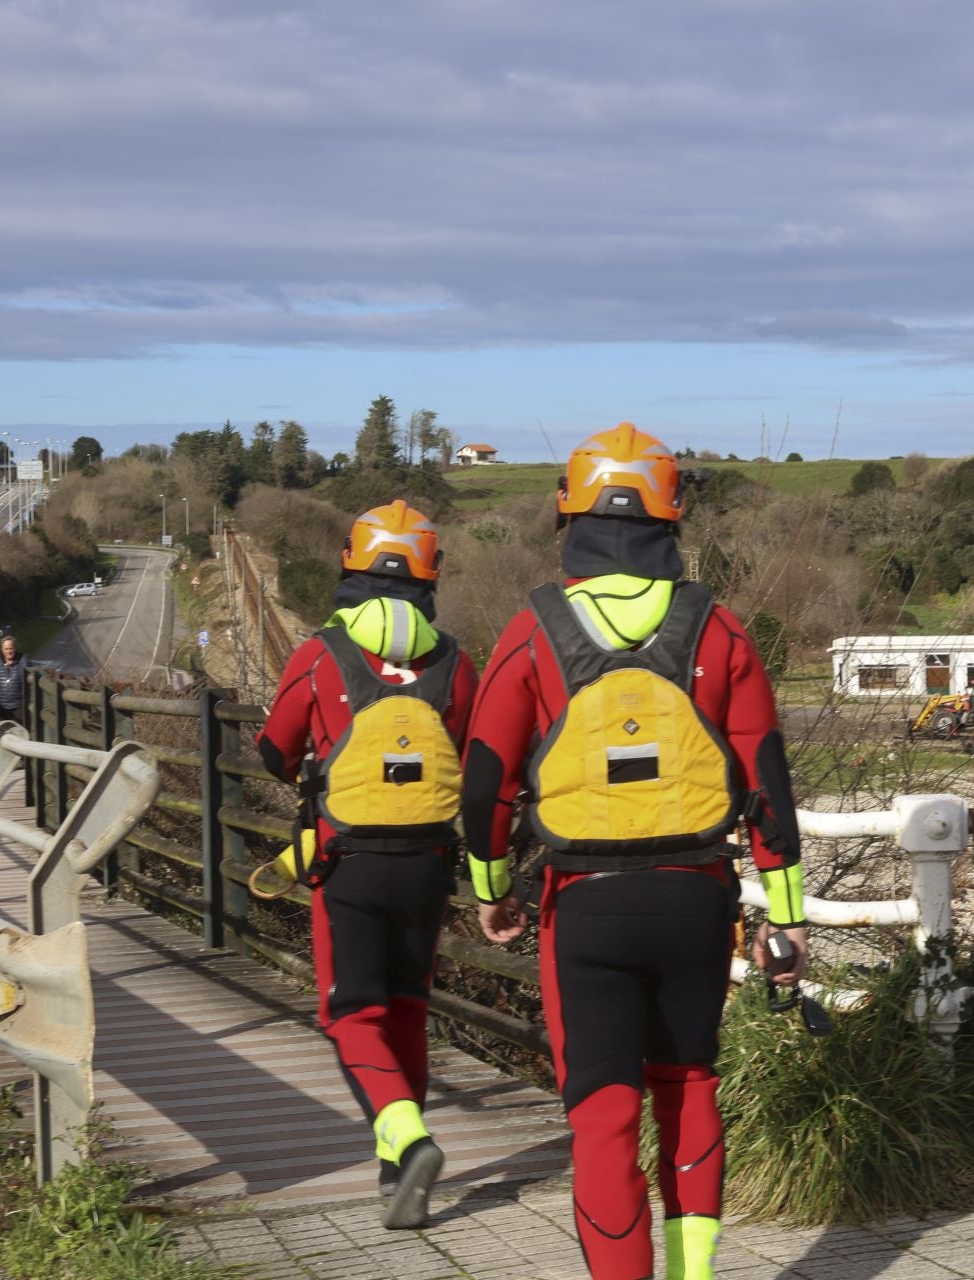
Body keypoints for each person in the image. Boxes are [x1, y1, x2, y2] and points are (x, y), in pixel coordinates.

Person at [462, 425, 808, 1280]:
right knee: (689, 1089)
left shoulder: (532, 628)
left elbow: (486, 782)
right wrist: (789, 920)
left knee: (603, 1114)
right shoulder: (718, 628)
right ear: (671, 517)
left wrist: (491, 888)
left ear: (569, 514)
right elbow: (767, 782)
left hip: (584, 905)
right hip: (696, 900)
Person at [254, 499, 478, 1230]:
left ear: (350, 565)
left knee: (350, 1009)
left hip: (345, 857)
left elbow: (273, 749)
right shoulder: (454, 660)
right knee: (407, 1004)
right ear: (429, 573)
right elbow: (478, 756)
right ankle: (394, 1178)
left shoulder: (322, 653)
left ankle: (405, 1136)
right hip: (430, 861)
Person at [0, 634, 27, 723]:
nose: (9, 651)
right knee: (5, 732)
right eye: (6, 649)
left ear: (15, 648)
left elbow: (32, 680)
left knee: (20, 732)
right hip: (2, 707)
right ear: (1, 649)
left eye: (11, 648)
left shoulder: (24, 660)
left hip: (19, 706)